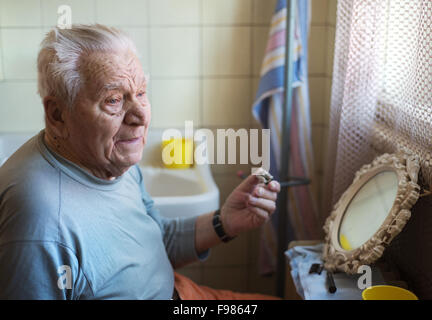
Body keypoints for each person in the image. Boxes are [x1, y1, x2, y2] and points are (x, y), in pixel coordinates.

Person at [0, 24, 280, 300]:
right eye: (113, 100)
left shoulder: (111, 160)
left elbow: (155, 240)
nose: (141, 116)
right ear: (57, 115)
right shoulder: (38, 222)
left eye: (142, 93)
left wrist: (225, 222)